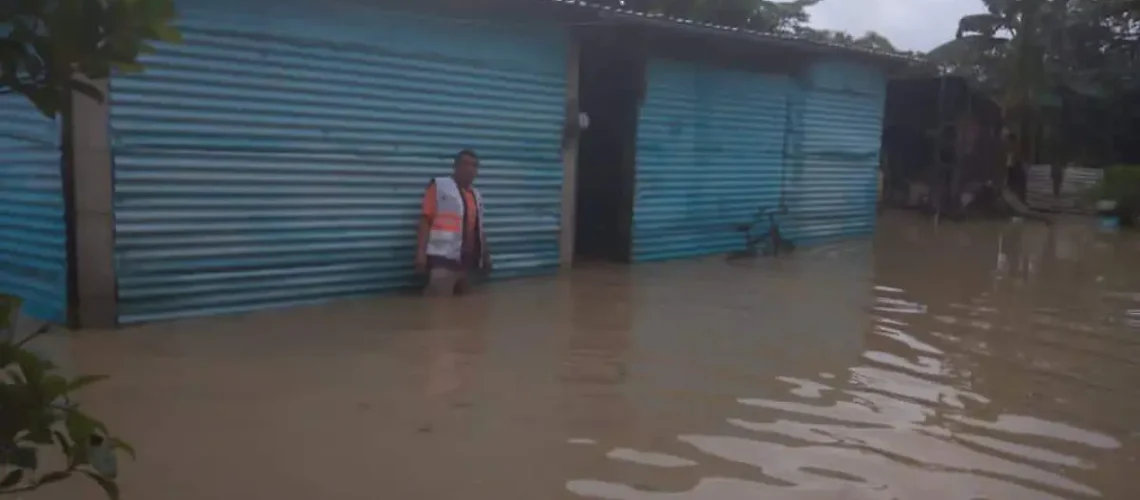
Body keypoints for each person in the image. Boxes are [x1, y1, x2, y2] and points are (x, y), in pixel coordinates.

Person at [415, 150, 492, 296]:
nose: (470, 169)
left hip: (467, 261)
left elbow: (478, 228)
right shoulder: (440, 187)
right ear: (455, 167)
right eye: (465, 164)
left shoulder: (476, 195)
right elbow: (425, 220)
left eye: (474, 166)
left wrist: (486, 256)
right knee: (438, 302)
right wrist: (420, 253)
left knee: (463, 304)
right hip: (442, 259)